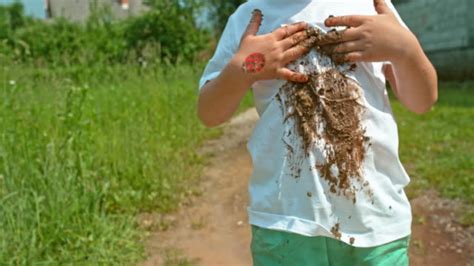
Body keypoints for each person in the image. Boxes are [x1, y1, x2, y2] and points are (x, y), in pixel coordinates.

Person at [197, 0, 438, 265]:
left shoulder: (373, 6)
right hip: (286, 224)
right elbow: (209, 113)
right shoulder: (250, 16)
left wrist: (406, 50)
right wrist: (247, 67)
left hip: (375, 223)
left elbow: (422, 101)